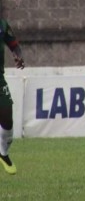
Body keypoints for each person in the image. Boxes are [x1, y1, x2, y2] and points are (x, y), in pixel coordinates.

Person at [0, 19, 25, 175]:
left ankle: (2, 152)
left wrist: (18, 56)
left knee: (7, 115)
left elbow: (14, 45)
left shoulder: (2, 24)